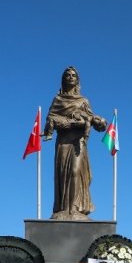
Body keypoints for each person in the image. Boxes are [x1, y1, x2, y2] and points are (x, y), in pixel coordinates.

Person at [43, 66, 107, 220]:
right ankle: (63, 209)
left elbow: (93, 120)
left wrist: (100, 122)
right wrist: (64, 122)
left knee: (75, 171)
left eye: (73, 75)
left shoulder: (83, 101)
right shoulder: (57, 100)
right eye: (67, 75)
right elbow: (49, 121)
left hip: (79, 142)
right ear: (63, 79)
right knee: (63, 175)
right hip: (63, 141)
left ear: (77, 80)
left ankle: (74, 209)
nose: (70, 77)